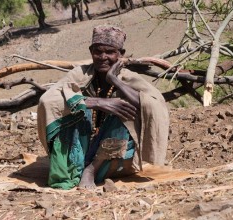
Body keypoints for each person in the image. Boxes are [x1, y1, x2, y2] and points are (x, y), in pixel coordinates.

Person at [37, 25, 169, 190]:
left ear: (121, 54)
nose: (103, 57)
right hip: (78, 150)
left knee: (127, 109)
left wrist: (114, 80)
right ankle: (69, 170)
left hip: (111, 159)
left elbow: (153, 105)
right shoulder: (80, 74)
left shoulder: (128, 78)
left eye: (110, 52)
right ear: (91, 51)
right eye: (98, 51)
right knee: (72, 106)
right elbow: (47, 100)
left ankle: (91, 170)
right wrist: (97, 102)